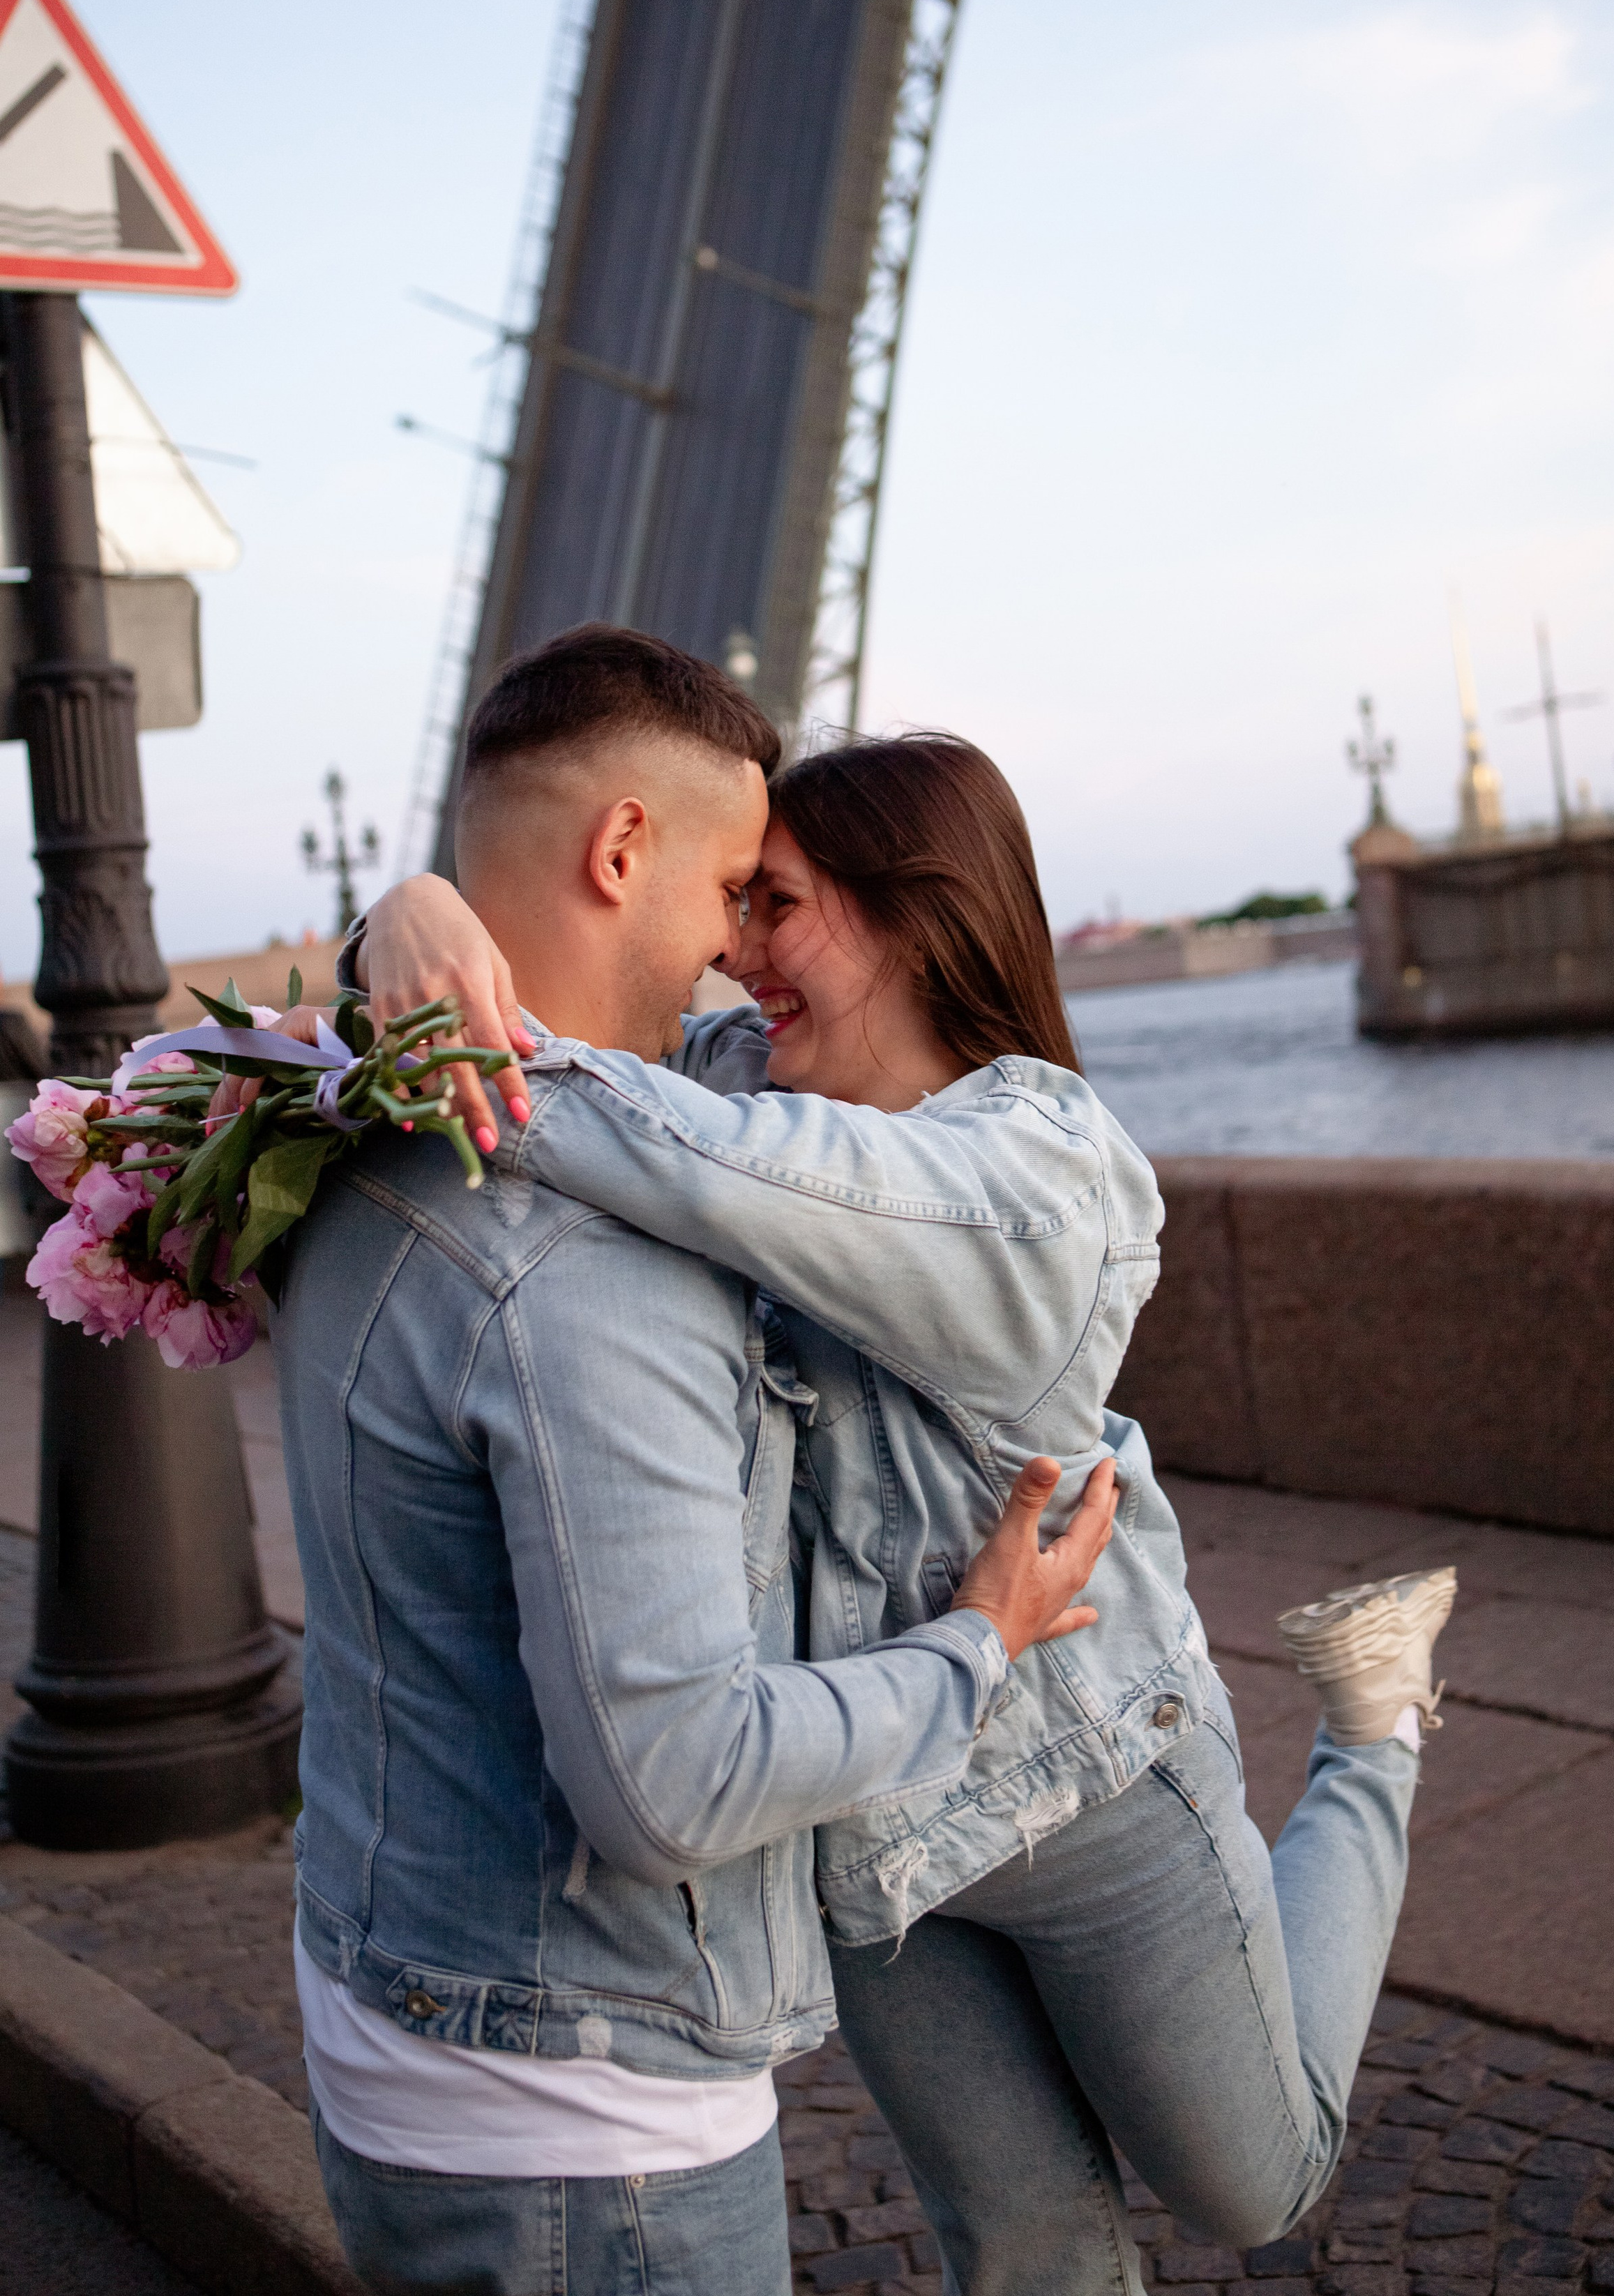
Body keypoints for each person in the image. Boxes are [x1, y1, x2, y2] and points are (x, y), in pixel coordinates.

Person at [351, 652, 1458, 2296]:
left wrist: (454, 999)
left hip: (1077, 1776)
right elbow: (602, 1050)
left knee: (1255, 2183)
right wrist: (410, 915)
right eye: (735, 899)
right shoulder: (741, 1084)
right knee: (1022, 2250)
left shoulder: (1042, 1164)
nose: (731, 946)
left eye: (774, 902)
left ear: (910, 915)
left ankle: (1370, 1729)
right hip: (860, 1800)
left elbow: (651, 1141)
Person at [266, 629, 1122, 2296]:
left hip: (388, 2016)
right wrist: (977, 1642)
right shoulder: (594, 1277)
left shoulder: (348, 1138)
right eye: (734, 883)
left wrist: (406, 907)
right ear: (619, 853)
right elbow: (677, 1784)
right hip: (589, 2127)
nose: (740, 949)